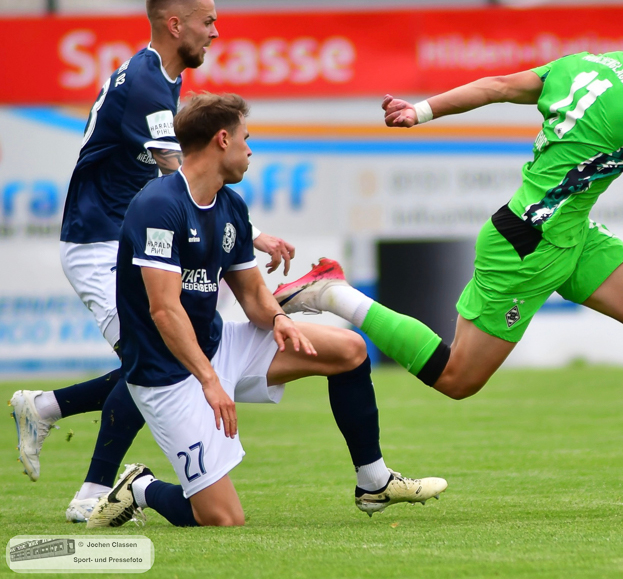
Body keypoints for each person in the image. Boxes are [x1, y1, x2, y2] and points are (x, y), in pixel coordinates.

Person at [275, 0, 623, 512]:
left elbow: (496, 86)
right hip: (527, 245)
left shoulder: (587, 64)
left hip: (573, 235)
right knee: (458, 378)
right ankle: (333, 294)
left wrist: (419, 110)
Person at [10, 0, 295, 523]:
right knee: (153, 359)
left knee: (155, 358)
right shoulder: (145, 84)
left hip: (120, 238)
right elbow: (179, 174)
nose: (215, 32)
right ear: (175, 24)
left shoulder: (162, 79)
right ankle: (91, 486)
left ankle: (52, 417)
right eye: (208, 21)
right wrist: (251, 232)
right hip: (99, 243)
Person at [87, 93, 445, 528]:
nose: (250, 150)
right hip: (167, 373)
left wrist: (278, 319)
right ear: (223, 140)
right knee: (222, 519)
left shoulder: (231, 205)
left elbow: (253, 294)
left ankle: (373, 482)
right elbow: (164, 311)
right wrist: (210, 380)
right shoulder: (158, 206)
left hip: (219, 347)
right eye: (246, 138)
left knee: (349, 350)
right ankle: (140, 487)